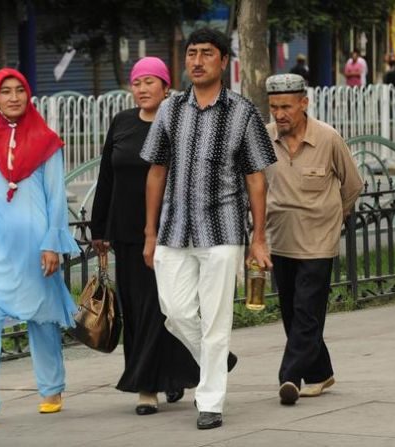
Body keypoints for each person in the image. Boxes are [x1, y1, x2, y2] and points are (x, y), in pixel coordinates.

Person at [140, 28, 277, 430]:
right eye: (192, 54)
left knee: (217, 321)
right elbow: (156, 171)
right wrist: (150, 232)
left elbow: (256, 177)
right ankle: (214, 359)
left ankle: (210, 400)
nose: (197, 61)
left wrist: (259, 237)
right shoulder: (171, 109)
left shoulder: (242, 111)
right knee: (175, 311)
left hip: (223, 230)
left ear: (223, 61)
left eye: (207, 54)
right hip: (173, 230)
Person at [0, 68, 79, 424]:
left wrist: (52, 244)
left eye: (19, 91)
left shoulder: (47, 142)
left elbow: (56, 198)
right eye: (5, 92)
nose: (13, 98)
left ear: (28, 97)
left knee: (41, 319)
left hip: (35, 246)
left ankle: (52, 389)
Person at [90, 57, 200, 416]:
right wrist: (99, 227)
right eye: (137, 83)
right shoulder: (122, 122)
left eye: (150, 82)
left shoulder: (179, 121)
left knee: (163, 307)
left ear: (166, 86)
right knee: (137, 311)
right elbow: (107, 174)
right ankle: (167, 377)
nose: (142, 89)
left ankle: (147, 385)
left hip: (169, 231)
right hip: (126, 232)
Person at [264, 74, 363, 405]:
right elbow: (255, 186)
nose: (280, 114)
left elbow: (352, 185)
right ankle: (320, 373)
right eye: (275, 107)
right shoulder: (265, 139)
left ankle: (289, 376)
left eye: (287, 107)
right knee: (292, 311)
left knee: (307, 309)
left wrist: (336, 217)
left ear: (303, 104)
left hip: (319, 240)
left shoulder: (328, 138)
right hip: (280, 238)